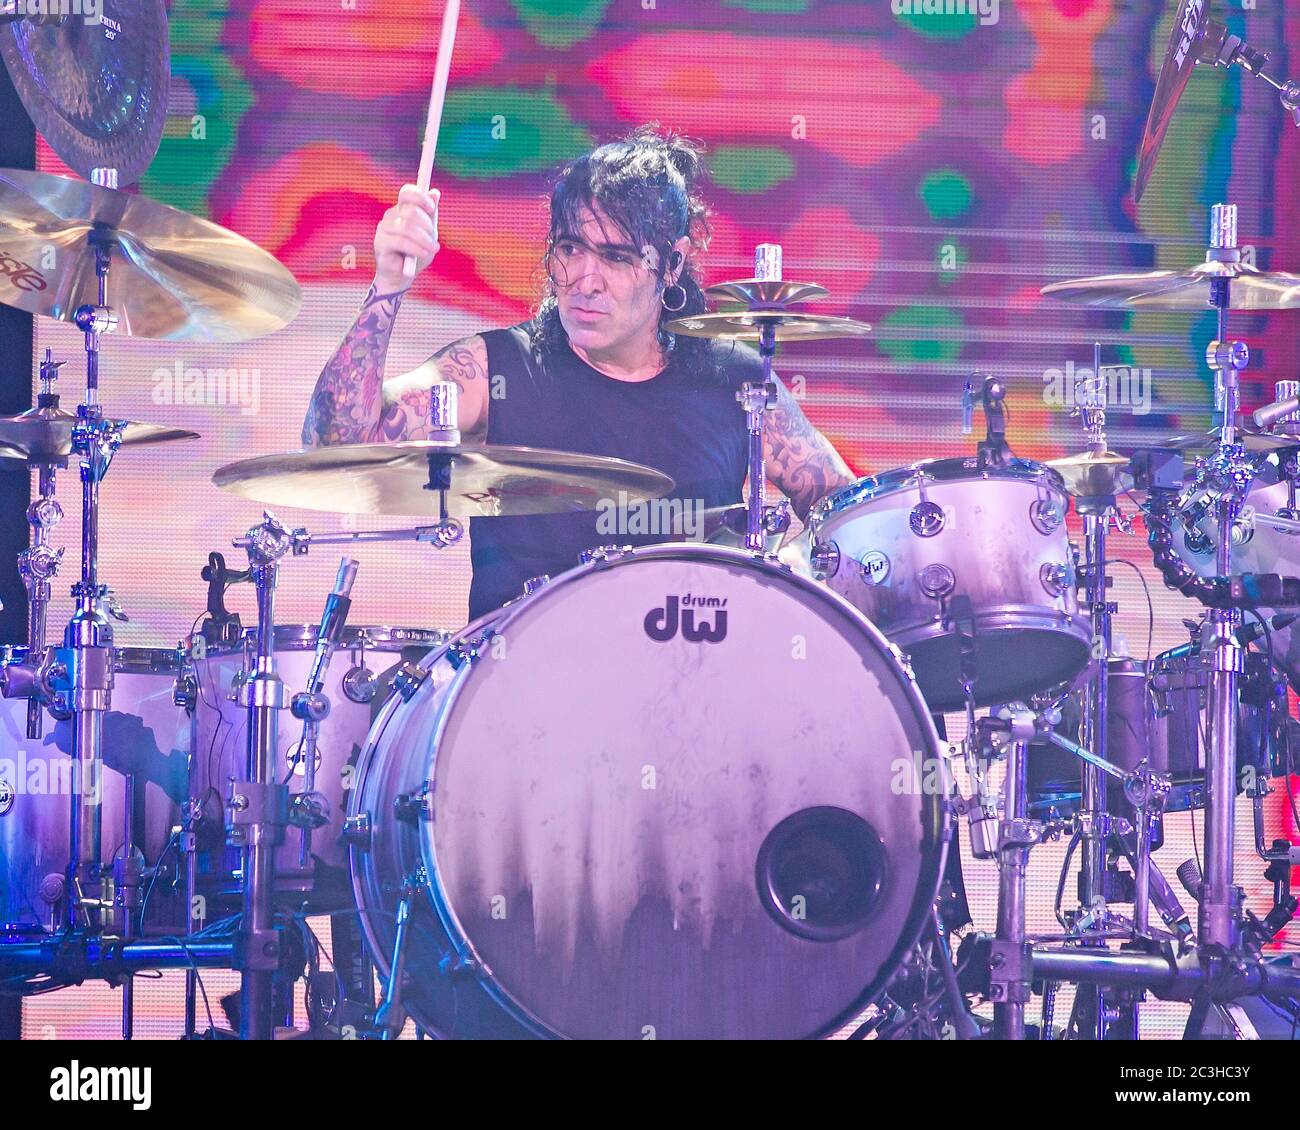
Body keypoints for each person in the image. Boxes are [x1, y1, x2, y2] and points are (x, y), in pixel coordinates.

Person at [303, 126, 857, 620]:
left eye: (616, 257)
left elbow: (854, 522)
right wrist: (388, 287)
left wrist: (787, 579)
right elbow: (335, 443)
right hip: (520, 700)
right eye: (570, 249)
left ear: (672, 262)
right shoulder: (493, 369)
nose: (585, 280)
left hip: (696, 697)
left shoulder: (736, 382)